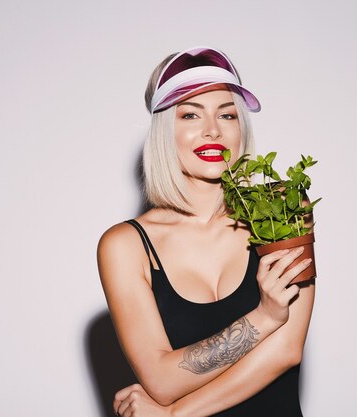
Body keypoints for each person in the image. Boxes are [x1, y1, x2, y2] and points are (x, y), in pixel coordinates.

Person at [97, 46, 315, 417]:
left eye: (227, 114)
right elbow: (162, 381)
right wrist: (264, 317)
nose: (212, 130)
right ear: (166, 130)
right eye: (190, 114)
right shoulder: (125, 245)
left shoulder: (283, 206)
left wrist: (173, 415)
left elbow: (286, 349)